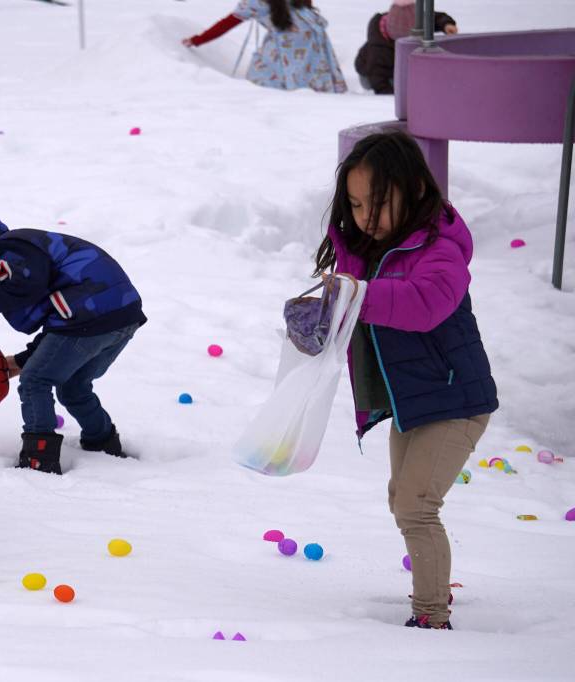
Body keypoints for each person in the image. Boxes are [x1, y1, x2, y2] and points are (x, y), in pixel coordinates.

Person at [314, 131, 497, 629]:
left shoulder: (441, 250)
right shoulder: (370, 248)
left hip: (456, 400)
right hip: (414, 400)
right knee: (403, 500)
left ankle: (431, 617)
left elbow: (423, 305)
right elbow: (357, 307)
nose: (363, 218)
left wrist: (358, 297)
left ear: (415, 190)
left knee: (417, 505)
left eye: (377, 204)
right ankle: (431, 589)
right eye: (353, 204)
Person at [0, 189, 146, 475]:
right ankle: (103, 442)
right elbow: (60, 329)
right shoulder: (16, 260)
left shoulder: (7, 250)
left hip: (94, 312)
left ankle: (38, 458)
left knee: (34, 382)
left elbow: (24, 289)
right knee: (73, 385)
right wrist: (21, 360)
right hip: (117, 314)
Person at [182, 0, 347, 93]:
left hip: (288, 49)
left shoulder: (256, 2)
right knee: (307, 81)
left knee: (269, 82)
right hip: (313, 41)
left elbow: (227, 23)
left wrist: (196, 40)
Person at [354, 0, 458, 94]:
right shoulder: (378, 50)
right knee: (400, 84)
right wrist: (396, 96)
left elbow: (435, 17)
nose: (409, 42)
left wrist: (446, 24)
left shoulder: (417, 19)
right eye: (405, 40)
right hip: (371, 74)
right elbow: (378, 81)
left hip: (398, 67)